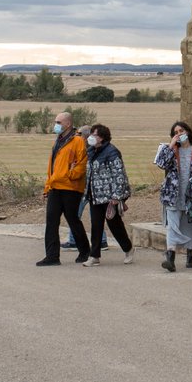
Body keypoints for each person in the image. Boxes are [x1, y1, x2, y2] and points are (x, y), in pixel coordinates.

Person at [154, 121, 192, 272]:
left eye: (181, 130)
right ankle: (170, 259)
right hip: (173, 194)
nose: (179, 134)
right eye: (175, 132)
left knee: (190, 225)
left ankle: (190, 255)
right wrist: (170, 145)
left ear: (188, 131)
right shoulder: (170, 150)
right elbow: (161, 163)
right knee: (172, 226)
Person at [36, 111, 91, 266]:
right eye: (56, 122)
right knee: (51, 221)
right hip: (55, 186)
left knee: (72, 219)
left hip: (71, 187)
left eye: (58, 122)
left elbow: (82, 164)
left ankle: (85, 251)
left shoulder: (78, 141)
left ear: (68, 124)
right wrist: (47, 187)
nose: (56, 125)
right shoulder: (58, 141)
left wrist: (71, 174)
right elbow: (52, 166)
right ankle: (52, 256)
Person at [81, 124, 134, 267]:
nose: (91, 137)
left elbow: (119, 175)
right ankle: (94, 256)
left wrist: (117, 196)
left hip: (110, 197)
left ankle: (128, 249)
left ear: (102, 137)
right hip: (95, 195)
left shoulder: (112, 152)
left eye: (95, 135)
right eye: (91, 134)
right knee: (96, 225)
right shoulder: (91, 151)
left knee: (114, 224)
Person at [63, 126, 107, 251]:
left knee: (75, 215)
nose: (77, 135)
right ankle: (102, 241)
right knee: (94, 216)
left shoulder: (87, 150)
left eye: (79, 133)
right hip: (91, 187)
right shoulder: (93, 149)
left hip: (85, 188)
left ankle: (74, 241)